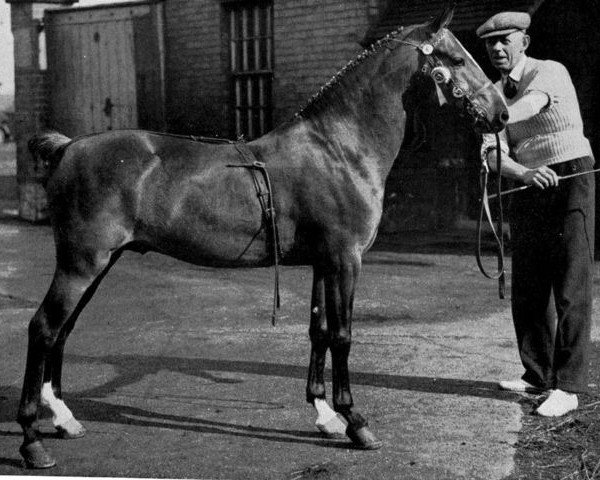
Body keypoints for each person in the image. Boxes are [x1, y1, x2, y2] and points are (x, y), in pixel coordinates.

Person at [477, 11, 595, 416]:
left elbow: (531, 105)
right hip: (528, 182)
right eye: (490, 43)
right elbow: (493, 154)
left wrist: (494, 114)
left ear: (524, 42)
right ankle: (536, 375)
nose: (496, 48)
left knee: (570, 282)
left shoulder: (550, 71)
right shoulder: (493, 93)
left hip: (570, 174)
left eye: (505, 40)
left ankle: (569, 386)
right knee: (528, 284)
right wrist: (523, 171)